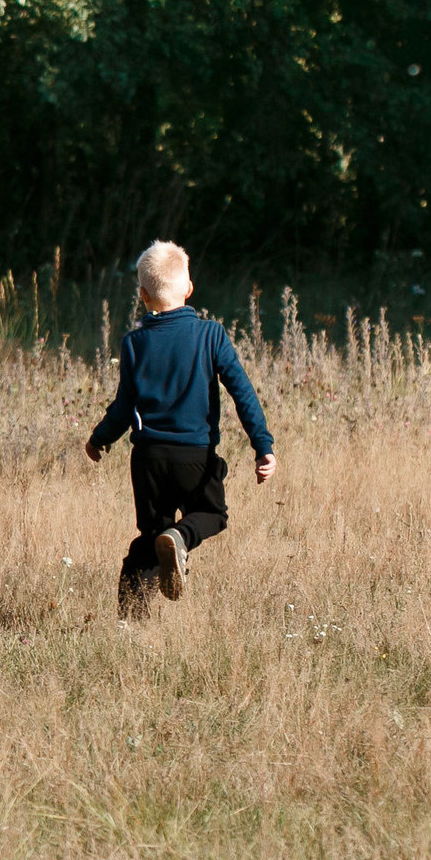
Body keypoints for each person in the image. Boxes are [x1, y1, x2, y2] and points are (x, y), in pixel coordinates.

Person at [84, 240, 278, 616]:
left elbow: (124, 407)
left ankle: (129, 624)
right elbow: (242, 392)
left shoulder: (134, 343)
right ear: (189, 288)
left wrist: (98, 439)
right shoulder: (211, 335)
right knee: (212, 514)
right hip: (195, 456)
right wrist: (262, 445)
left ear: (143, 296)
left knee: (149, 541)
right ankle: (182, 537)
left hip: (148, 460)